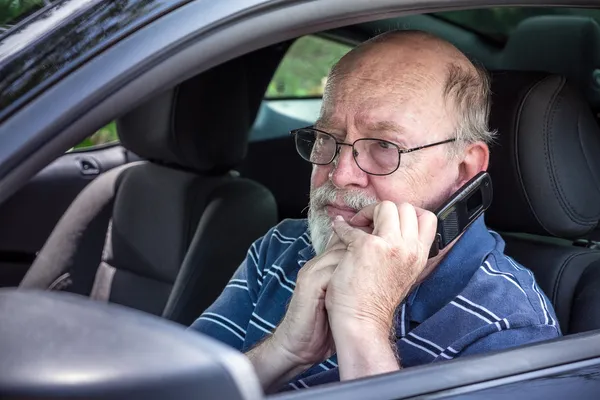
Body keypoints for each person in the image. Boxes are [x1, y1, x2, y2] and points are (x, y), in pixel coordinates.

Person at [189, 30, 560, 392]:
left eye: (384, 145)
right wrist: (283, 351)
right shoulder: (282, 247)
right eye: (326, 138)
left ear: (464, 169)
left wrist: (364, 327)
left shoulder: (511, 326)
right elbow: (173, 387)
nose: (339, 173)